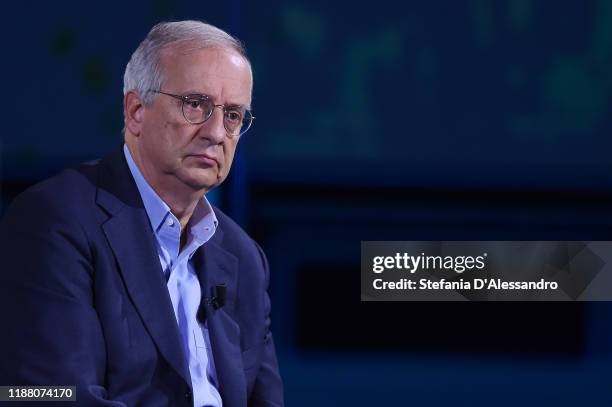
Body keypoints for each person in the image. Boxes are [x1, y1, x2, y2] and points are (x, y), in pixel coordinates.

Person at [0, 20, 283, 407]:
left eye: (233, 115)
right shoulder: (55, 222)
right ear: (135, 111)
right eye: (195, 105)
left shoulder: (245, 258)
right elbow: (47, 396)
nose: (217, 132)